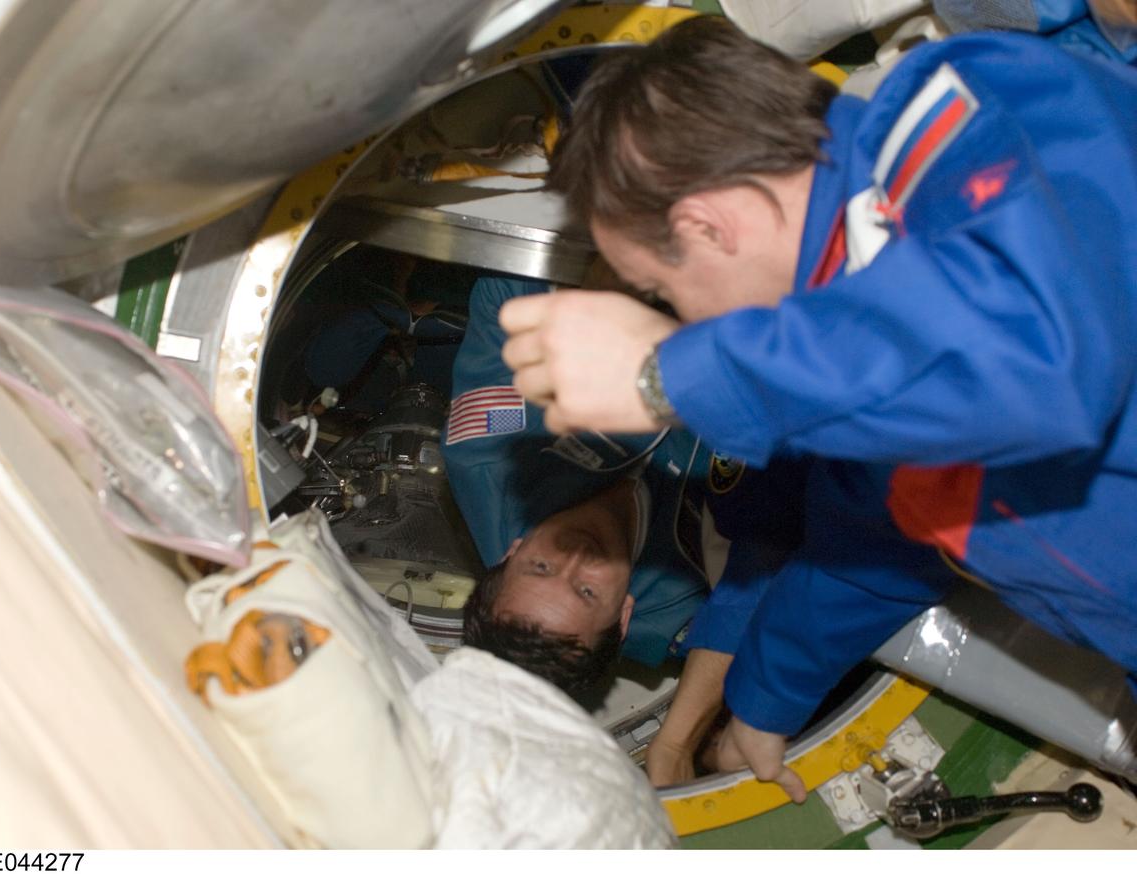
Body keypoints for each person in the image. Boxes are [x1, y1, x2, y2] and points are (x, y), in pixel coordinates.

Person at [498, 15, 1137, 802]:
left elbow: (1036, 365)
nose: (683, 318)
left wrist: (668, 378)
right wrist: (766, 702)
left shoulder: (969, 121)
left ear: (706, 227)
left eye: (663, 293)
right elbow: (878, 533)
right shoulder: (854, 344)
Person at [446, 275, 720, 714]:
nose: (577, 554)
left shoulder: (489, 457)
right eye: (587, 592)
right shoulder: (690, 609)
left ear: (510, 553)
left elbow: (502, 292)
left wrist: (625, 306)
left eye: (540, 565)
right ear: (625, 618)